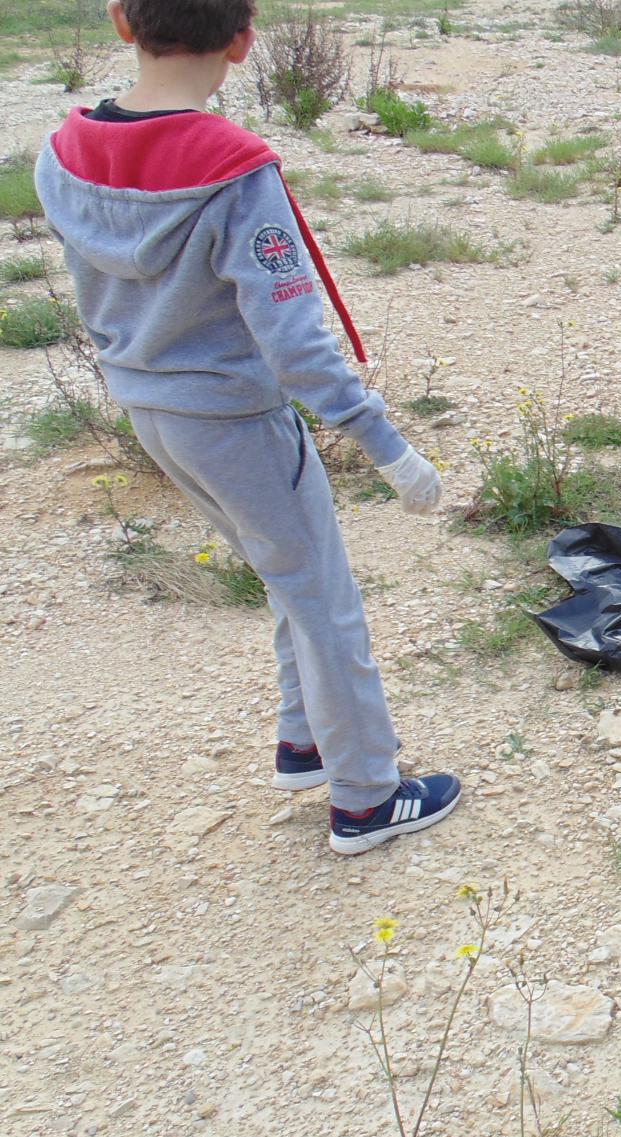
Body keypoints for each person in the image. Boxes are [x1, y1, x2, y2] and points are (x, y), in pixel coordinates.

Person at [36, 0, 460, 854]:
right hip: (234, 419)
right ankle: (366, 797)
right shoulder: (233, 170)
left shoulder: (63, 152)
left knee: (285, 574)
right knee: (324, 599)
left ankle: (305, 743)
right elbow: (294, 341)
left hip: (150, 411)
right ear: (242, 40)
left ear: (122, 22)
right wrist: (386, 445)